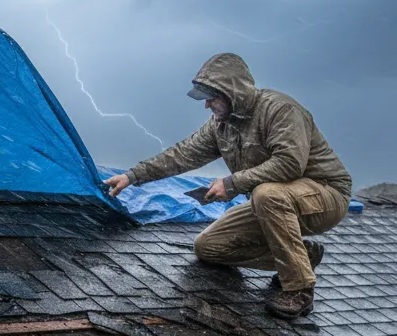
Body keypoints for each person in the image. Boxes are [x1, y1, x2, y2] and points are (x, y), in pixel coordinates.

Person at [104, 53, 351, 319]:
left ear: (232, 92)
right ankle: (304, 257)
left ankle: (299, 289)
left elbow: (290, 164)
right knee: (208, 247)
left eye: (212, 97)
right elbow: (182, 154)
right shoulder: (221, 124)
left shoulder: (280, 110)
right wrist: (131, 176)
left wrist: (231, 183)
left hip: (325, 195)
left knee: (266, 193)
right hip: (272, 201)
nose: (207, 104)